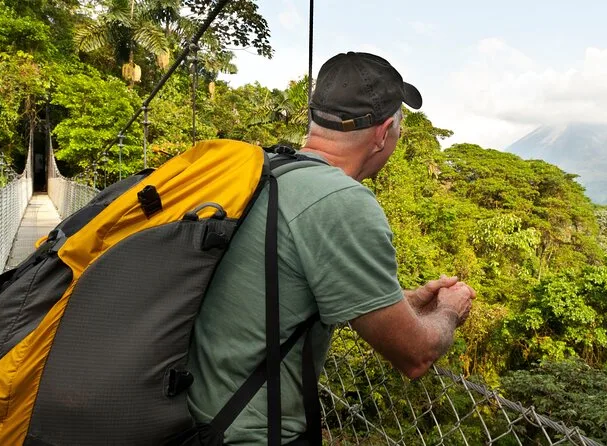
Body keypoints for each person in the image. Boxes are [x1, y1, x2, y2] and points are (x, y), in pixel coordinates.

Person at [186, 51, 476, 445]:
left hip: (193, 417)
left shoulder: (264, 170)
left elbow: (283, 291)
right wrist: (449, 310)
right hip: (251, 436)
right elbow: (415, 355)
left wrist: (405, 301)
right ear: (383, 133)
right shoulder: (341, 202)